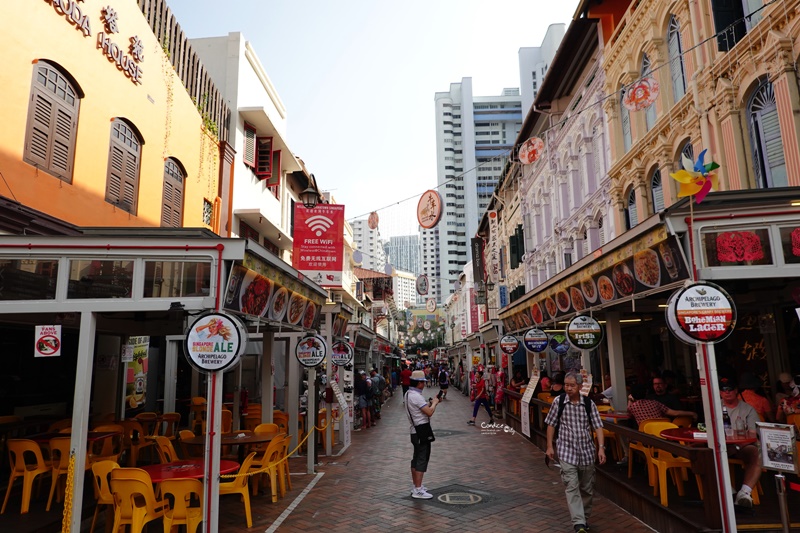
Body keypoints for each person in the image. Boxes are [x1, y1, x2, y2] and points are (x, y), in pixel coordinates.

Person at [545, 372, 606, 533]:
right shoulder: (559, 402)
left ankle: (584, 519)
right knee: (571, 486)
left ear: (579, 387)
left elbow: (598, 425)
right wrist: (550, 446)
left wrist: (601, 447)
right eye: (566, 385)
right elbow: (551, 424)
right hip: (566, 451)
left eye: (572, 385)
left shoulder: (588, 403)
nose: (568, 388)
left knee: (587, 488)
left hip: (586, 451)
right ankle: (579, 522)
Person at [719, 377, 762, 508]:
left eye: (730, 389)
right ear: (720, 392)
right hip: (720, 446)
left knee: (757, 452)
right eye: (723, 389)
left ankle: (744, 493)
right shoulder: (714, 407)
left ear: (736, 390)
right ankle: (727, 489)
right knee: (707, 452)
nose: (727, 392)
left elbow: (753, 433)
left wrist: (737, 444)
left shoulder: (747, 409)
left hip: (741, 446)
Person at [405, 370, 440, 499]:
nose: (424, 384)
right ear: (418, 383)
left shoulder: (409, 393)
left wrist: (431, 403)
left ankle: (416, 486)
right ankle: (418, 489)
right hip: (421, 430)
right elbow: (429, 412)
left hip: (415, 430)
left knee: (416, 457)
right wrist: (435, 403)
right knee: (422, 458)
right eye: (423, 382)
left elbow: (424, 409)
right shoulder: (416, 396)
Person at [626, 385, 697, 427]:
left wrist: (630, 399)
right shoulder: (655, 403)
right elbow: (675, 413)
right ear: (646, 393)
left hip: (647, 437)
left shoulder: (633, 407)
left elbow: (628, 410)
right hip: (663, 435)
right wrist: (691, 413)